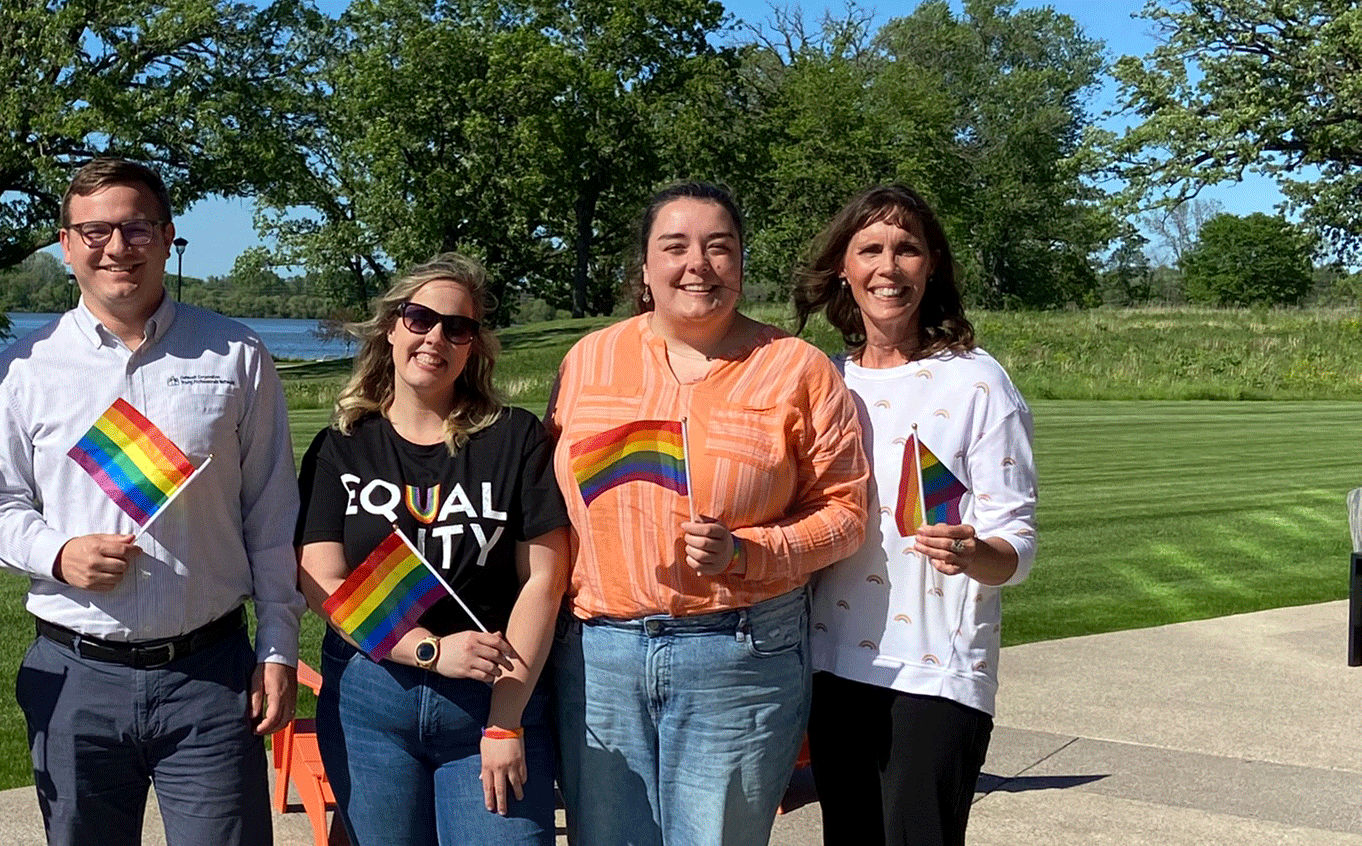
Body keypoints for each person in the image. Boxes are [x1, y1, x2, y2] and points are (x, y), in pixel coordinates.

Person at [0, 157, 302, 846]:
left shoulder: (234, 353)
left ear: (169, 235)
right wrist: (56, 552)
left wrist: (279, 649)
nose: (116, 247)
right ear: (66, 245)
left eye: (136, 228)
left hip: (209, 677)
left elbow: (272, 515)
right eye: (94, 231)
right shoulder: (24, 371)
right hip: (75, 674)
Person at [547, 181, 870, 846]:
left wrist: (749, 552)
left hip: (739, 654)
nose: (698, 263)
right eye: (676, 247)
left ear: (742, 263)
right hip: (599, 655)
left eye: (719, 248)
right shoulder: (588, 360)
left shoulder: (796, 370)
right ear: (644, 269)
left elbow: (846, 513)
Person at [295, 254, 572, 846]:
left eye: (458, 327)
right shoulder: (341, 448)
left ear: (473, 345)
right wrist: (427, 651)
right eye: (420, 318)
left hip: (492, 696)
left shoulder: (515, 439)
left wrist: (504, 721)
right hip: (371, 701)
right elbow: (321, 580)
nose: (436, 338)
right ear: (392, 326)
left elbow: (544, 581)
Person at [793, 184, 1039, 846]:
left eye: (907, 249)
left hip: (936, 673)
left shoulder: (978, 384)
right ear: (844, 267)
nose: (889, 266)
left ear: (932, 265)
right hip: (832, 665)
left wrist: (973, 552)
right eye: (870, 248)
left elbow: (1016, 544)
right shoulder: (825, 382)